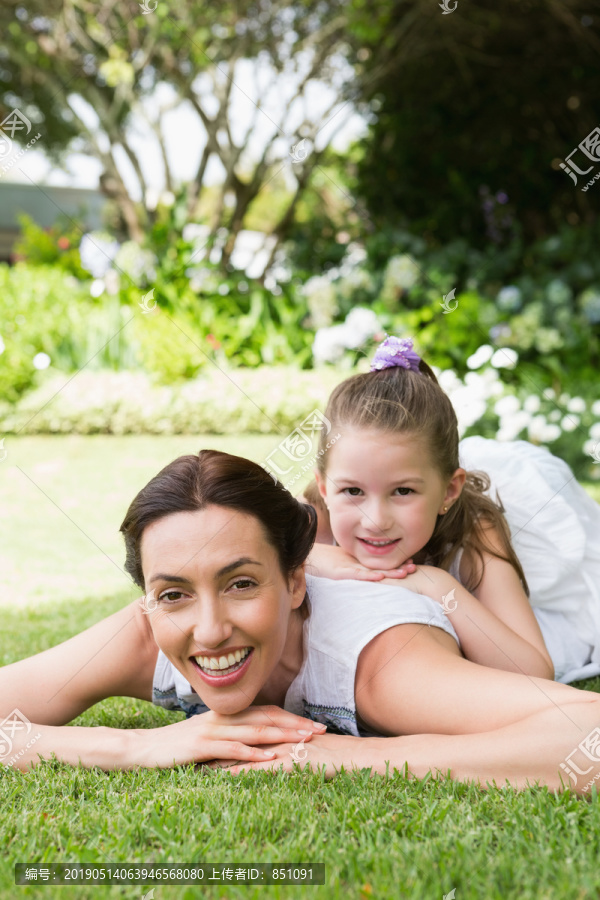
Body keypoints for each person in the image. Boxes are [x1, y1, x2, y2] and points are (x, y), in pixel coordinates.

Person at [1, 448, 600, 795]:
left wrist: (338, 756)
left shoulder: (375, 664)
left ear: (294, 580)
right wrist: (142, 747)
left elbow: (586, 732)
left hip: (471, 600)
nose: (208, 631)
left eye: (241, 584)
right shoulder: (148, 631)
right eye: (174, 594)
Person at [301, 336, 600, 684]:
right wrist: (316, 558)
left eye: (403, 491)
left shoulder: (477, 532)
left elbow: (534, 671)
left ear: (449, 490)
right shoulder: (316, 516)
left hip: (548, 581)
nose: (376, 520)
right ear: (324, 486)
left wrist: (437, 586)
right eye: (353, 491)